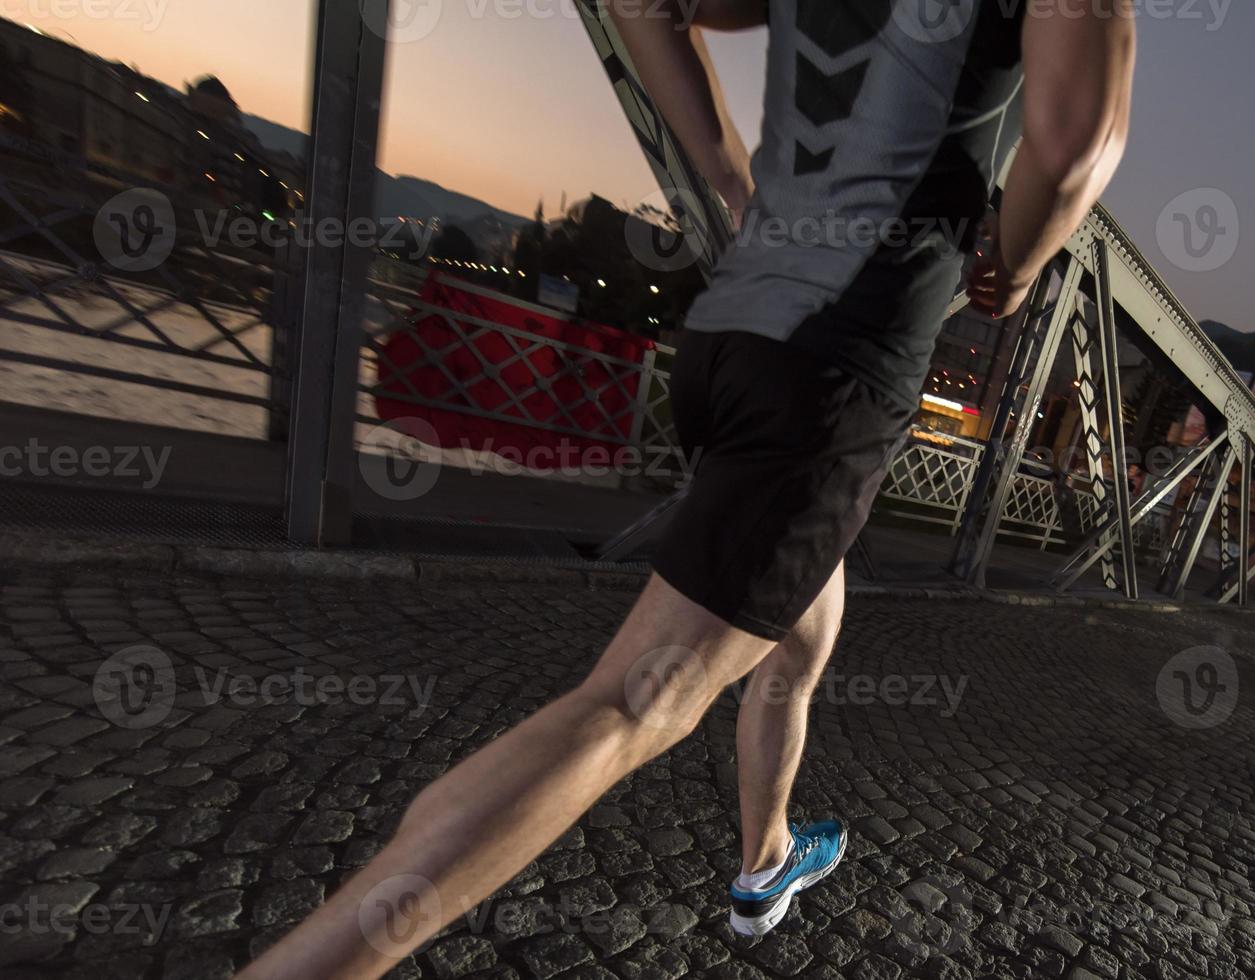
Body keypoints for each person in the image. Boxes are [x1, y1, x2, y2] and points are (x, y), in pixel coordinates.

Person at [241, 1, 1133, 974]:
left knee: (800, 632)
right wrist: (1018, 257)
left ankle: (767, 859)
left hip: (726, 342)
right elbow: (1074, 143)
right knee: (632, 703)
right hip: (834, 366)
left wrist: (725, 174)